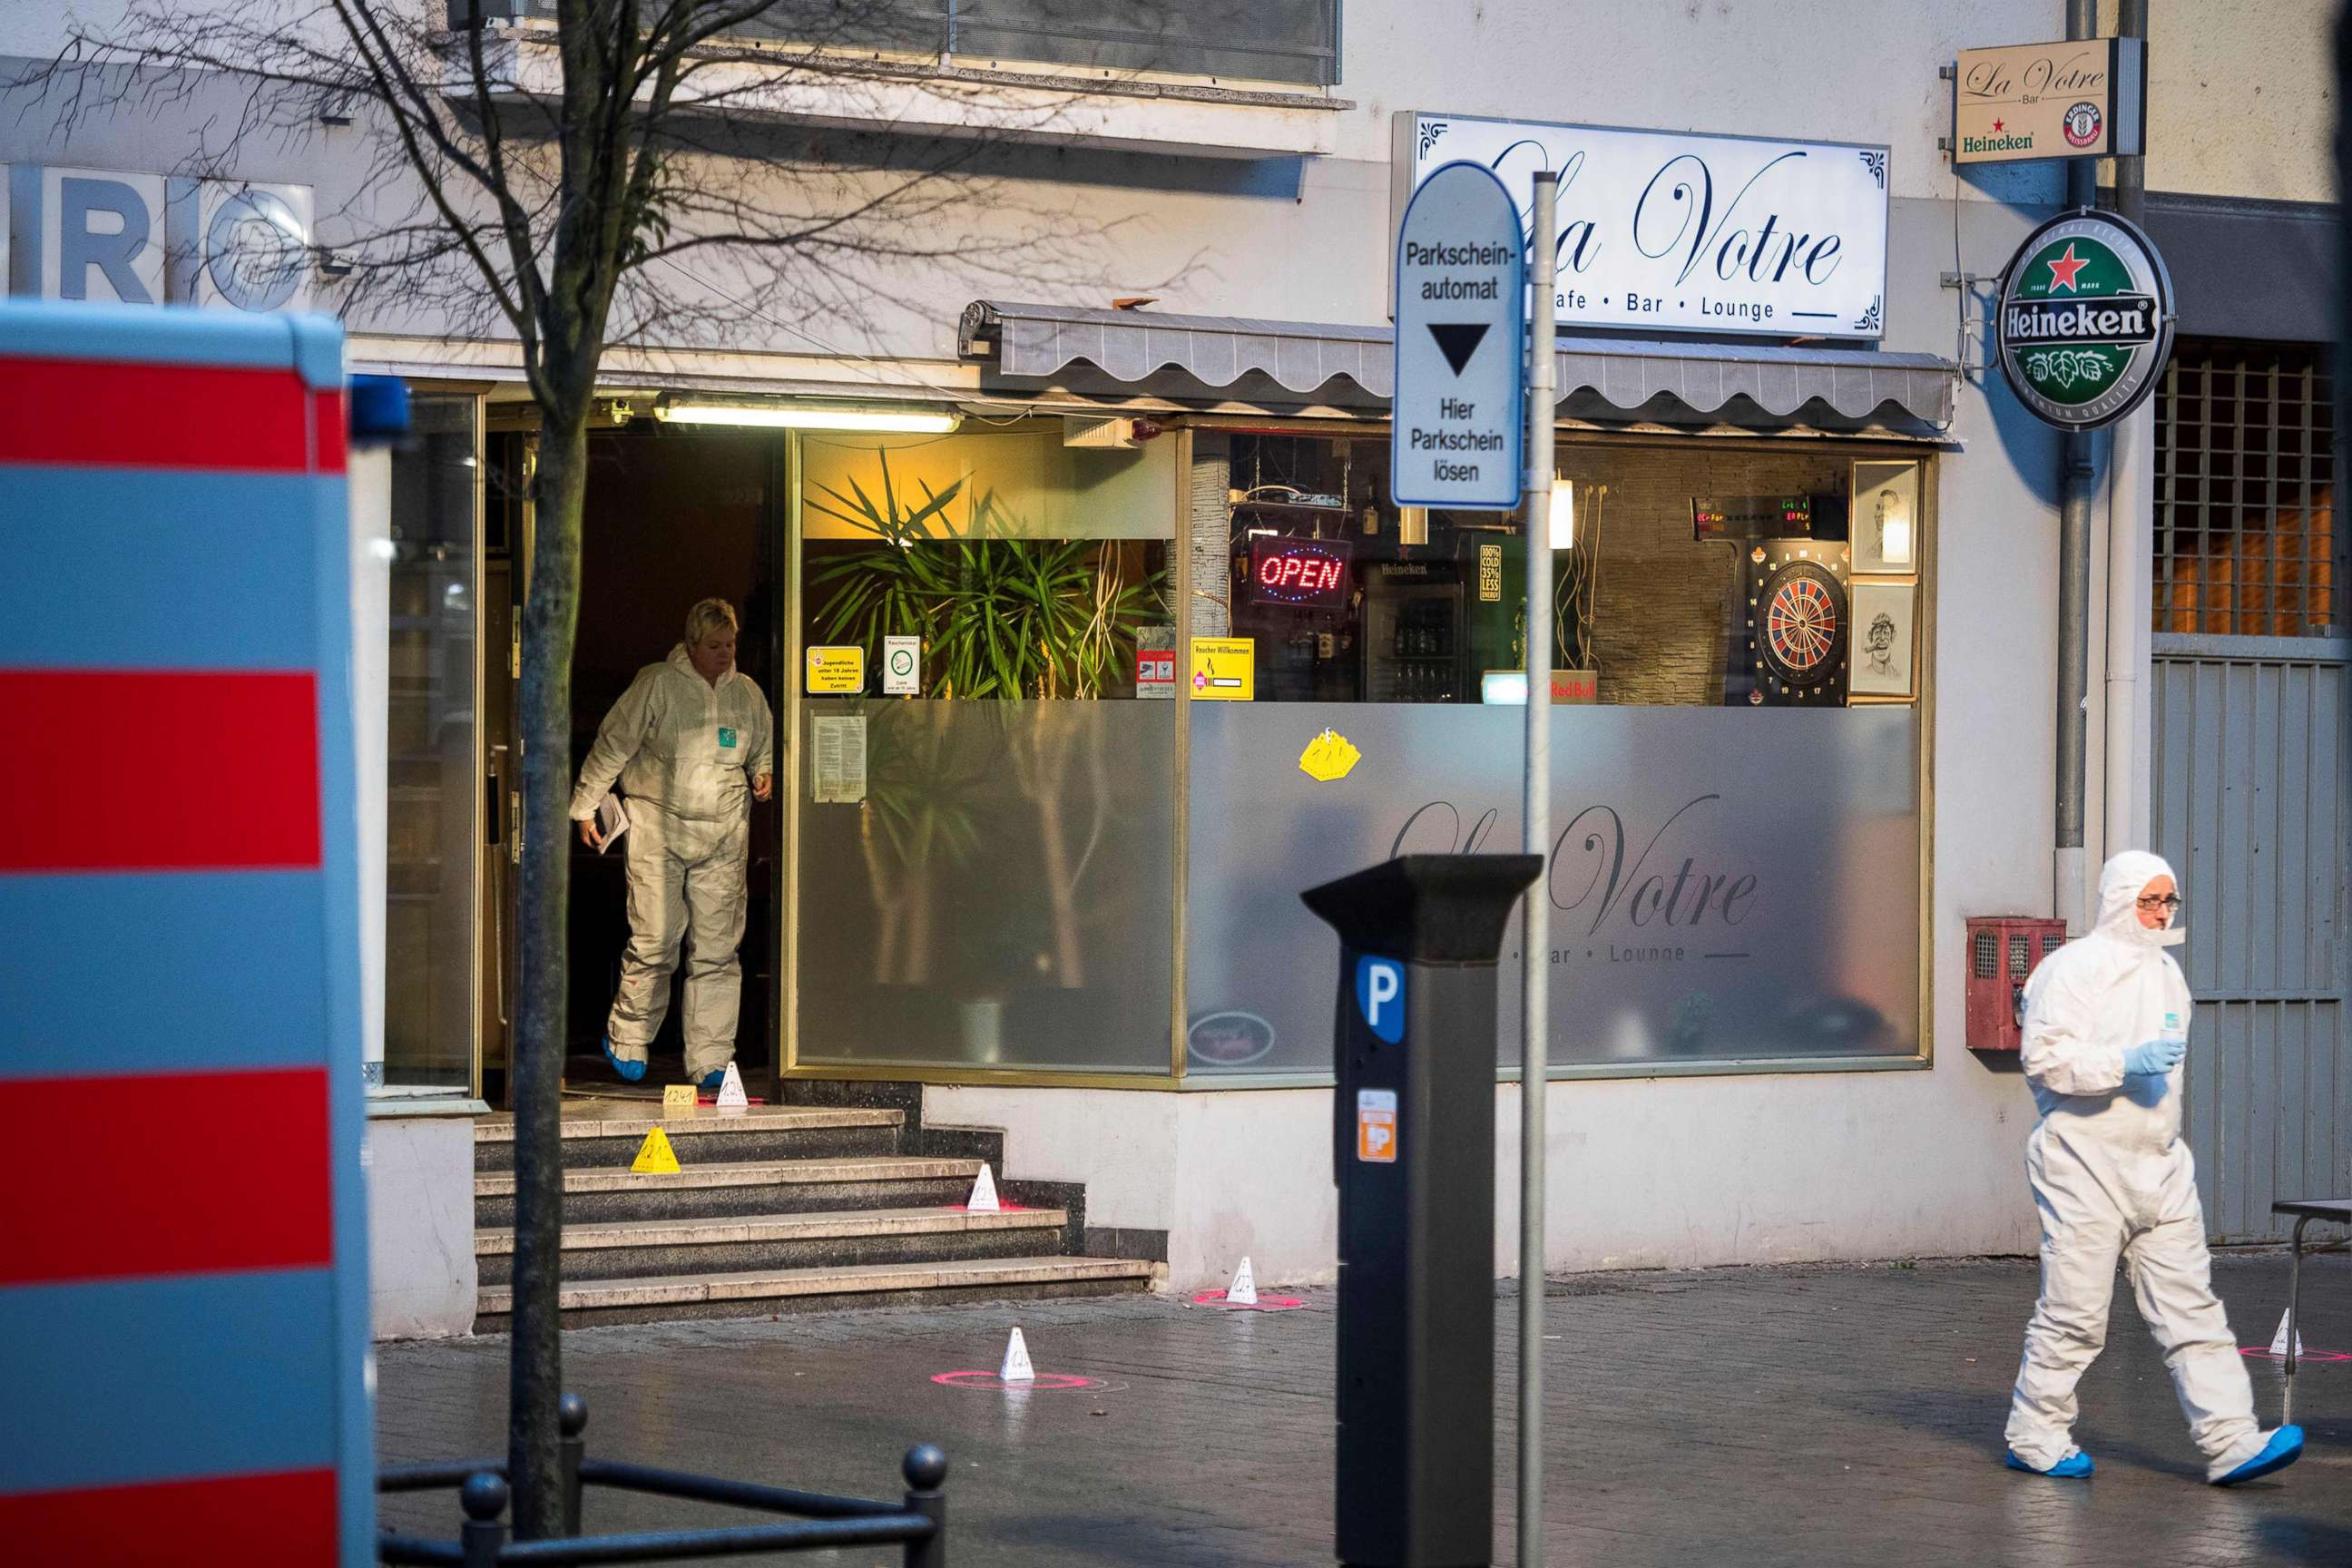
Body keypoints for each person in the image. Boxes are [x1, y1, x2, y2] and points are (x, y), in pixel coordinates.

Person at [2004, 849, 2303, 1485]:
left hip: (2159, 1167)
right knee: (2075, 1314)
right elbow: (2046, 1061)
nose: (2162, 912)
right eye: (2149, 900)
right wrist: (2123, 1062)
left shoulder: (2167, 973)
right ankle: (2035, 1433)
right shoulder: (2069, 970)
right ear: (2118, 900)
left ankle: (2231, 1443)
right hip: (2082, 1162)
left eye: (2169, 901)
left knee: (2193, 1309)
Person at [570, 598, 774, 1092]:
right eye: (714, 646)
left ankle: (711, 1056)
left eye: (730, 645)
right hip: (657, 827)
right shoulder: (657, 685)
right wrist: (584, 804)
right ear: (691, 644)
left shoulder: (747, 694)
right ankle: (628, 1036)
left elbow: (761, 744)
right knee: (656, 940)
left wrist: (762, 770)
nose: (725, 653)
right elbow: (614, 743)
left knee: (718, 950)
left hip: (724, 835)